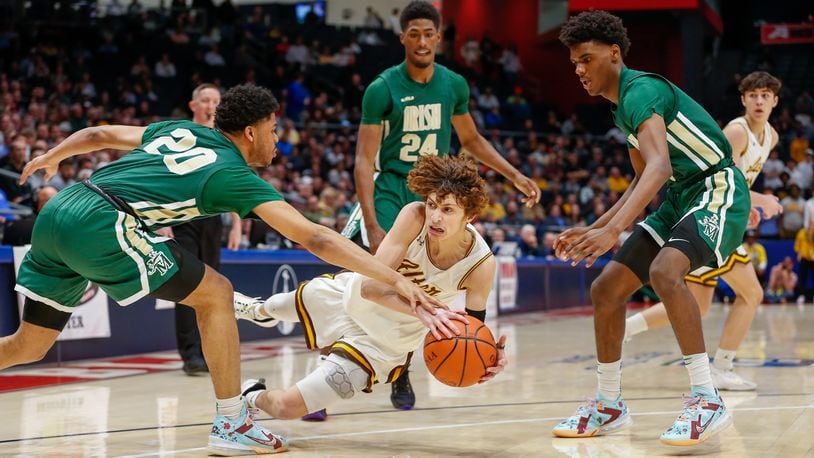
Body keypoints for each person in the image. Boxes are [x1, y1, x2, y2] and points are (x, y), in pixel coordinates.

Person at [0, 85, 443, 456]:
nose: (276, 139)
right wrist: (396, 278)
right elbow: (318, 239)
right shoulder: (233, 174)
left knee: (30, 344)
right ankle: (232, 423)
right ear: (250, 132)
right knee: (215, 292)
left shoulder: (182, 130)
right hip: (102, 221)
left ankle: (232, 420)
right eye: (272, 130)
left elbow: (98, 132)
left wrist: (51, 158)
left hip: (61, 207)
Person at [553, 11, 750, 445]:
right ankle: (609, 404)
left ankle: (706, 397)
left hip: (715, 188)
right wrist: (598, 226)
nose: (580, 70)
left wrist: (612, 233)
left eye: (586, 58)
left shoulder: (640, 91)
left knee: (664, 271)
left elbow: (658, 167)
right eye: (574, 64)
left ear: (614, 53)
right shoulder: (622, 110)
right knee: (606, 290)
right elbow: (644, 184)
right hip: (679, 199)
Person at [341, 0, 539, 412]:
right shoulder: (382, 88)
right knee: (358, 279)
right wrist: (374, 221)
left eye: (428, 33)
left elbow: (472, 141)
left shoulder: (453, 85)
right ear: (403, 38)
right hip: (392, 187)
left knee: (422, 287)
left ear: (439, 37)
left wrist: (513, 174)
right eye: (413, 33)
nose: (422, 40)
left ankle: (403, 368)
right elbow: (363, 159)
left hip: (436, 191)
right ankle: (332, 363)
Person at [234, 155, 507, 420]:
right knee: (272, 307)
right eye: (432, 204)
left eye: (447, 210)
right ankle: (257, 310)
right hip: (348, 297)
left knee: (286, 408)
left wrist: (489, 358)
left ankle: (250, 395)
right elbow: (370, 289)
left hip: (383, 345)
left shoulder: (480, 265)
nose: (435, 217)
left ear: (469, 215)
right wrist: (425, 311)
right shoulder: (414, 216)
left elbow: (473, 330)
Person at [624, 71, 784, 391]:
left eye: (766, 95)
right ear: (743, 100)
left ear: (775, 101)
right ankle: (722, 367)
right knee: (751, 293)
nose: (759, 100)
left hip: (724, 210)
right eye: (753, 95)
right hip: (709, 209)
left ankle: (624, 327)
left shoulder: (772, 136)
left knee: (698, 305)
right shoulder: (737, 132)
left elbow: (740, 184)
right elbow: (723, 174)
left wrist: (746, 208)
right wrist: (759, 200)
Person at [159, 83, 244, 376]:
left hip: (212, 219)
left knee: (212, 290)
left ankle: (209, 353)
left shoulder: (224, 141)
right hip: (182, 217)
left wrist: (236, 223)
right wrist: (163, 221)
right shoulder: (180, 135)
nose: (211, 105)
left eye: (216, 101)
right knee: (188, 288)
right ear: (194, 105)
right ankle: (190, 354)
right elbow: (164, 177)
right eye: (206, 100)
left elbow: (231, 182)